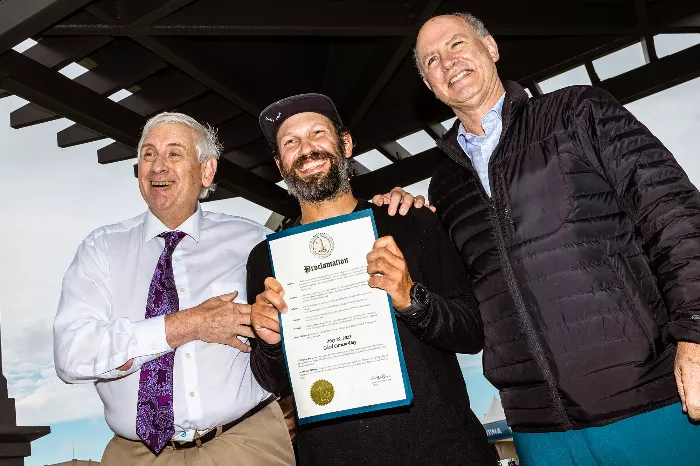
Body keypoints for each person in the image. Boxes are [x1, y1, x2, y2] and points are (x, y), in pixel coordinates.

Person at [373, 12, 700, 465]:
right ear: (430, 85)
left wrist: (695, 332)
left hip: (647, 401)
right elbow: (470, 311)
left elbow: (673, 212)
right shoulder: (444, 186)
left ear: (490, 48)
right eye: (431, 60)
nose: (447, 62)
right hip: (537, 429)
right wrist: (409, 244)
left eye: (456, 44)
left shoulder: (578, 111)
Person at [247, 93, 494, 465]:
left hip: (441, 450)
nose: (307, 150)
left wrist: (413, 299)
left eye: (318, 134)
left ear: (345, 144)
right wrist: (268, 342)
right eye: (291, 143)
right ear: (281, 164)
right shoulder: (265, 259)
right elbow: (272, 380)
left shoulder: (412, 221)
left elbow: (473, 332)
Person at [53, 112, 295, 465]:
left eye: (174, 154)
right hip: (136, 454)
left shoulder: (254, 241)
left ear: (207, 171)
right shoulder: (100, 249)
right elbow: (71, 355)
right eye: (148, 155)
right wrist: (189, 324)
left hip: (245, 444)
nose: (157, 167)